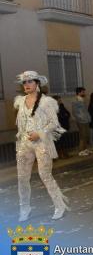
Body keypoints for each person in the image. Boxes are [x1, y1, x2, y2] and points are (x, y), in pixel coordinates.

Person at [14, 71, 68, 221]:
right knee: (22, 177)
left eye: (30, 81)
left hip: (42, 143)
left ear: (37, 84)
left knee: (45, 175)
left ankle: (59, 206)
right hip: (24, 144)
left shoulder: (46, 102)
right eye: (24, 82)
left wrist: (39, 133)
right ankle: (24, 208)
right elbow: (21, 123)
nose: (26, 85)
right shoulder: (20, 101)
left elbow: (54, 123)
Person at [72, 86, 92, 156]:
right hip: (81, 121)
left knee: (87, 135)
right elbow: (74, 112)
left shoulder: (83, 100)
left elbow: (85, 111)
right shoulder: (75, 101)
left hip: (86, 120)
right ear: (79, 92)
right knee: (82, 136)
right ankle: (81, 150)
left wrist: (88, 118)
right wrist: (80, 118)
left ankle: (85, 149)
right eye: (83, 92)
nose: (84, 93)